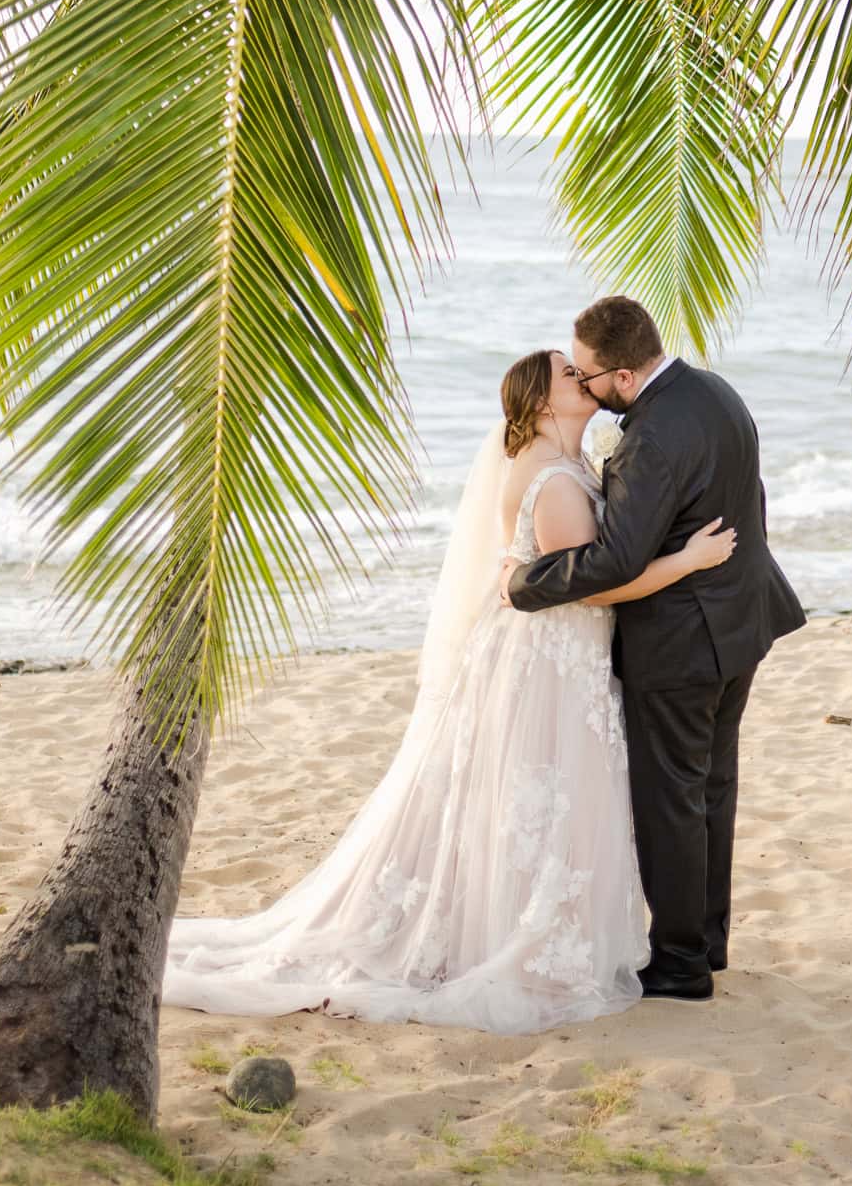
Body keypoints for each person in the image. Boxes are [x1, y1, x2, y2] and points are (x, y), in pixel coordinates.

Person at [161, 347, 735, 1033]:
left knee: (546, 798)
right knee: (539, 791)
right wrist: (687, 561)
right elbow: (594, 587)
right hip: (545, 661)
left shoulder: (574, 464)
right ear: (545, 404)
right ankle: (510, 937)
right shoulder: (552, 480)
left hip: (564, 661)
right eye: (566, 374)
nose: (581, 379)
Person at [505, 296, 806, 1001]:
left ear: (626, 378)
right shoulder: (714, 391)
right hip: (740, 624)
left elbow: (611, 563)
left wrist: (525, 582)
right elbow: (748, 496)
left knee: (671, 797)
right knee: (710, 788)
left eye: (588, 375)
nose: (582, 386)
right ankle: (707, 940)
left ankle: (679, 963)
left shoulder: (652, 437)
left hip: (682, 643)